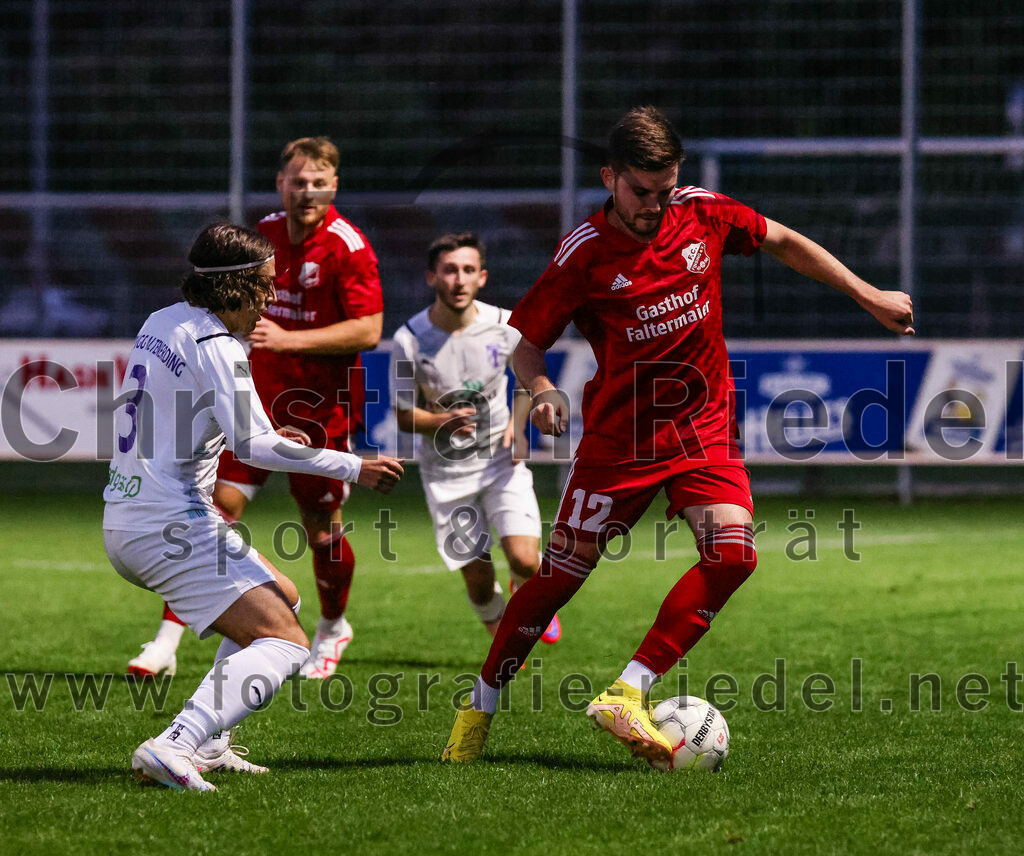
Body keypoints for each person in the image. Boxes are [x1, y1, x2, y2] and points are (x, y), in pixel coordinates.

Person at [441, 106, 914, 764]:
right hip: (621, 441)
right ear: (610, 178)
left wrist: (867, 294)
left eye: (665, 190)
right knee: (558, 579)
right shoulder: (584, 254)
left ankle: (626, 691)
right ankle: (480, 709)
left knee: (734, 555)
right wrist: (542, 390)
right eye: (641, 192)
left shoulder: (702, 211)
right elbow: (526, 346)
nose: (655, 206)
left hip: (704, 427)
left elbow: (779, 238)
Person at [104, 223, 403, 790]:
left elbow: (194, 416)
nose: (270, 299)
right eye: (264, 286)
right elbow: (255, 447)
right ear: (232, 287)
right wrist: (353, 466)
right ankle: (178, 743)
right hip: (166, 526)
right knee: (287, 643)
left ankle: (211, 744)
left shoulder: (161, 321)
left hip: (132, 513)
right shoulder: (217, 345)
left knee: (285, 595)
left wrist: (251, 431)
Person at [128, 136, 384, 681]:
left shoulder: (348, 246)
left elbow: (369, 328)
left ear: (333, 186)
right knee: (211, 510)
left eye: (318, 182)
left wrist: (292, 341)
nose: (307, 191)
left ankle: (333, 626)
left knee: (322, 532)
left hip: (319, 408)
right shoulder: (262, 235)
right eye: (298, 181)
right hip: (249, 401)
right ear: (281, 183)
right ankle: (166, 642)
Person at [391, 232, 560, 643]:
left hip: (501, 460)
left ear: (482, 277)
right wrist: (438, 423)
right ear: (432, 277)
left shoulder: (504, 324)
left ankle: (523, 591)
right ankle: (502, 633)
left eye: (468, 270)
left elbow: (525, 378)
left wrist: (517, 426)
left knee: (526, 560)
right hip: (446, 472)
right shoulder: (408, 339)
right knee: (480, 583)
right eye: (450, 270)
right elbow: (402, 415)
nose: (459, 280)